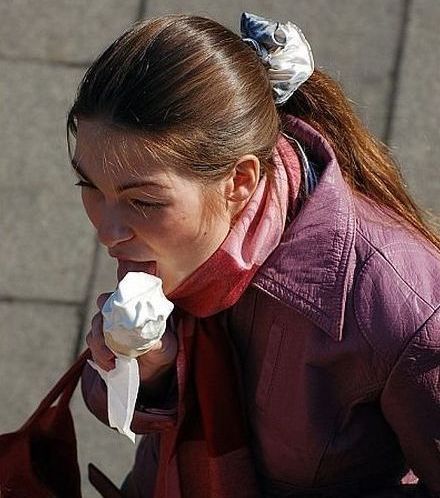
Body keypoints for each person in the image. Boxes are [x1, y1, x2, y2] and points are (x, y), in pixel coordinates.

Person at [68, 11, 440, 498]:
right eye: (89, 185)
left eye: (144, 201)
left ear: (239, 183)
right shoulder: (177, 237)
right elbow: (139, 426)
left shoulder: (405, 310)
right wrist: (148, 373)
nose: (107, 232)